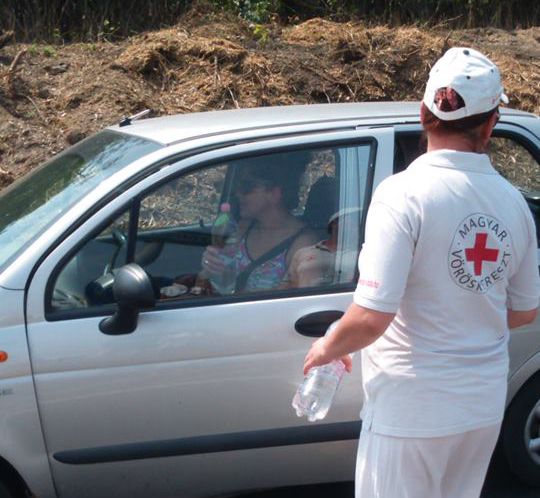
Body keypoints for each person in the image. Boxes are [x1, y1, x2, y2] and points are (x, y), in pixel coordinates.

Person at [302, 47, 540, 498]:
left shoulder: (403, 195)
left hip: (412, 409)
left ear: (423, 112)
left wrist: (327, 346)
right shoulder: (513, 204)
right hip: (481, 407)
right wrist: (466, 306)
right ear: (491, 124)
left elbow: (372, 316)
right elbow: (523, 312)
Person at [200, 151, 318, 293]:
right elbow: (216, 283)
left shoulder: (303, 246)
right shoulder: (245, 227)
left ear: (275, 194)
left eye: (246, 187)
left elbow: (300, 303)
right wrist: (210, 268)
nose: (237, 193)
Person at [284, 207, 361, 288]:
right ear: (334, 223)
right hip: (306, 300)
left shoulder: (362, 254)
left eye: (358, 221)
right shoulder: (303, 253)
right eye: (352, 219)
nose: (355, 225)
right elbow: (286, 286)